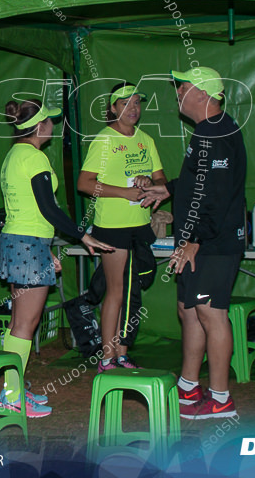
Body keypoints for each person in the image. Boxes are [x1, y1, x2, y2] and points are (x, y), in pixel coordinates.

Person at [140, 67, 246, 421]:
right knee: (188, 311)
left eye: (182, 86)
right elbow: (199, 180)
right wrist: (167, 188)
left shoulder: (216, 133)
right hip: (197, 240)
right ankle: (188, 387)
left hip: (213, 243)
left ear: (203, 93)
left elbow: (216, 193)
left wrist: (195, 241)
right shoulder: (206, 132)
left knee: (210, 314)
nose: (178, 92)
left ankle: (220, 399)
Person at [0, 99, 113, 417]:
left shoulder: (15, 155)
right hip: (27, 244)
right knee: (25, 324)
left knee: (19, 323)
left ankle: (13, 389)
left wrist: (46, 248)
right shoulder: (34, 158)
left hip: (21, 241)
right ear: (40, 126)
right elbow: (49, 208)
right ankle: (10, 397)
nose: (53, 124)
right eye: (49, 119)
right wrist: (83, 235)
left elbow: (27, 210)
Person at [77, 83, 166, 371]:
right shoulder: (104, 141)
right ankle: (106, 356)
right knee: (116, 291)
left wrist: (147, 182)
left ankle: (122, 353)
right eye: (126, 104)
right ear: (113, 108)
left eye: (137, 103)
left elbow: (162, 181)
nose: (133, 109)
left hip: (139, 226)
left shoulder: (146, 140)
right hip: (112, 226)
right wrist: (123, 192)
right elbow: (85, 183)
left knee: (133, 292)